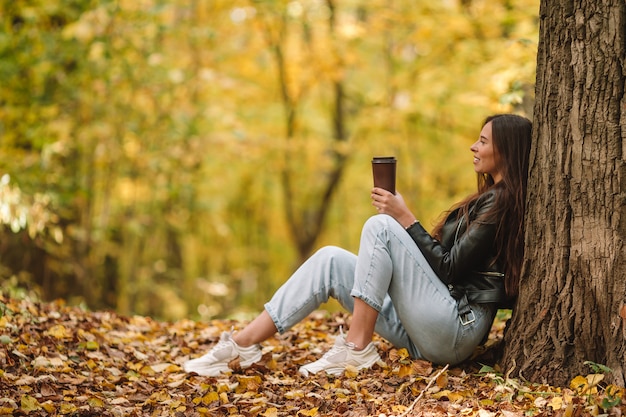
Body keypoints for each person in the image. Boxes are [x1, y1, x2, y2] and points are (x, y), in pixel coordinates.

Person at [183, 113, 533, 377]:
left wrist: (404, 218)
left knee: (381, 226)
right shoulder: (487, 198)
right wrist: (404, 224)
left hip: (456, 328)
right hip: (426, 328)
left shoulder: (502, 202)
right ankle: (241, 346)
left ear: (507, 149)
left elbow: (449, 268)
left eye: (484, 141)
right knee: (330, 259)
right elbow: (439, 265)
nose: (474, 146)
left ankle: (355, 347)